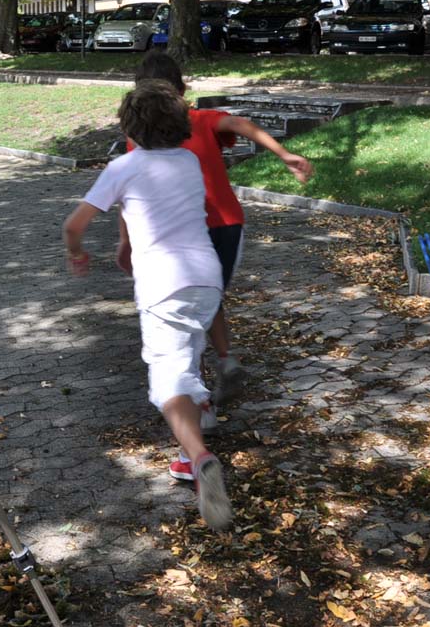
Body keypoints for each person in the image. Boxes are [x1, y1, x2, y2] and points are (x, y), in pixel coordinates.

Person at [128, 51, 314, 483]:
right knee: (205, 302)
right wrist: (283, 153)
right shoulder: (198, 119)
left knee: (187, 319)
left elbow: (131, 191)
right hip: (222, 226)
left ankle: (198, 421)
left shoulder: (146, 131)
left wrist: (127, 238)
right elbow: (242, 125)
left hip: (182, 235)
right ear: (182, 89)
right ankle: (224, 364)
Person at [63, 79, 233, 531]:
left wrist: (77, 253)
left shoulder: (123, 166)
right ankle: (191, 445)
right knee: (186, 357)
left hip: (163, 283)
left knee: (166, 378)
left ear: (129, 128)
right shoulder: (190, 160)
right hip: (206, 278)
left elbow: (74, 225)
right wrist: (127, 240)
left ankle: (200, 457)